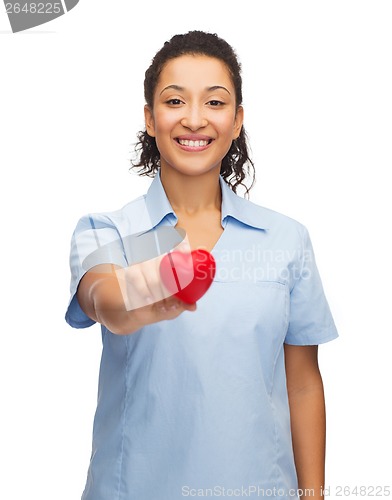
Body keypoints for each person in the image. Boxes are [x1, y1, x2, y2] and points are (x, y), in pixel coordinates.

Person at [65, 30, 339, 500]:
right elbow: (102, 299)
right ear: (150, 119)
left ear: (237, 122)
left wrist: (313, 496)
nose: (194, 120)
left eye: (215, 103)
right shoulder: (106, 229)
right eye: (175, 101)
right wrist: (145, 288)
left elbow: (303, 384)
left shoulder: (287, 239)